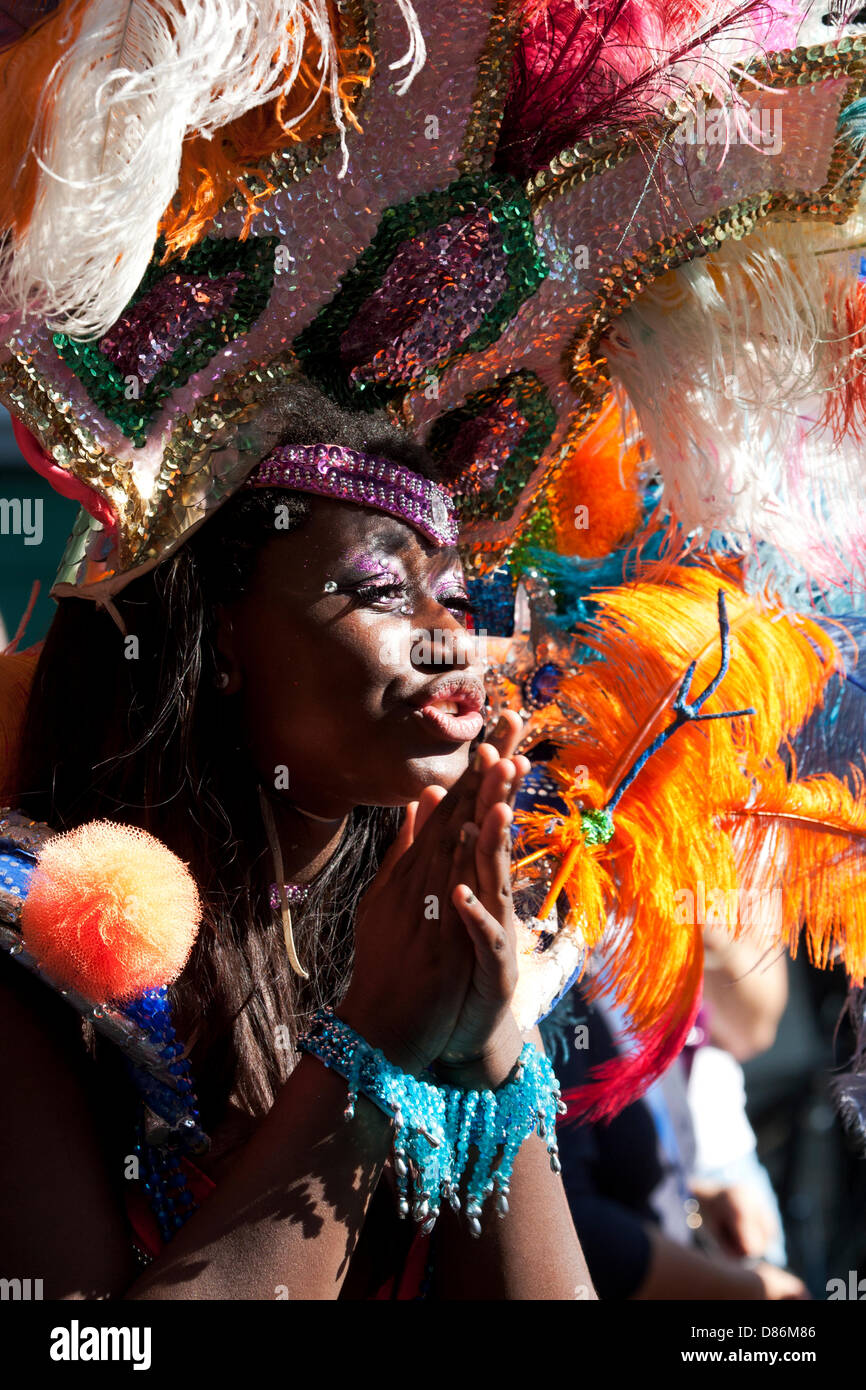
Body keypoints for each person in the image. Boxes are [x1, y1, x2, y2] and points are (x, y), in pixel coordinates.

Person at [0, 383, 593, 1300]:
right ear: (221, 629)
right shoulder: (30, 962)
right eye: (385, 592)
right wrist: (374, 1041)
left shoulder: (435, 948)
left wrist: (486, 1052)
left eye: (453, 598)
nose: (449, 643)